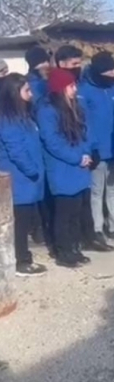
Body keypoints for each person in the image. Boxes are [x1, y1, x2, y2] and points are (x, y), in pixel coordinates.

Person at [37, 68, 114, 268]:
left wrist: (90, 151)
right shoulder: (47, 110)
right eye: (71, 86)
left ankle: (75, 246)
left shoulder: (75, 106)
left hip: (81, 166)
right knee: (64, 213)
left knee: (78, 210)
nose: (74, 89)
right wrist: (77, 158)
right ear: (61, 88)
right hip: (63, 168)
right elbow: (53, 142)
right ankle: (63, 251)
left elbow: (87, 130)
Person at [0, 73, 48, 276]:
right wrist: (32, 169)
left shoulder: (23, 116)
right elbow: (16, 150)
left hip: (28, 180)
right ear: (14, 94)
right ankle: (21, 261)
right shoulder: (8, 120)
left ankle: (20, 257)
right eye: (27, 90)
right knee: (20, 223)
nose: (31, 94)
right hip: (19, 179)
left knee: (23, 221)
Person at [79, 51, 114, 245]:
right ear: (99, 72)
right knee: (97, 191)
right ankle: (97, 228)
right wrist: (92, 147)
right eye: (110, 70)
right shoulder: (85, 90)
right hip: (97, 150)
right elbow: (84, 122)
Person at [24, 46, 52, 249]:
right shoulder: (31, 85)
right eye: (43, 62)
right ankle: (37, 227)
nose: (47, 65)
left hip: (45, 140)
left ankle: (45, 225)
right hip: (36, 141)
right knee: (36, 187)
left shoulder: (45, 82)